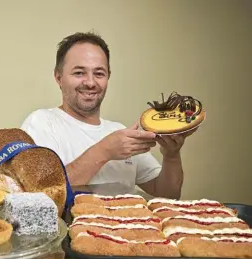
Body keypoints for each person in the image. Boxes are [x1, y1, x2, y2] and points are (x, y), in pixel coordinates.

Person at [21, 32, 196, 199]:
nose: (90, 82)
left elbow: (168, 194)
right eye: (79, 72)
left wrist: (171, 155)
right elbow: (42, 193)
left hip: (124, 227)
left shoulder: (119, 131)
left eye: (99, 73)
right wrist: (105, 150)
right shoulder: (42, 122)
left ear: (108, 77)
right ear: (58, 77)